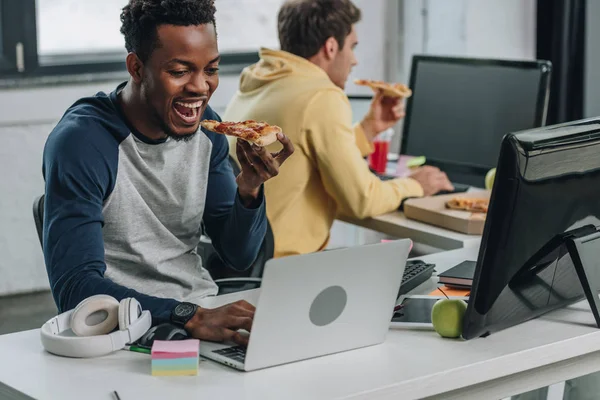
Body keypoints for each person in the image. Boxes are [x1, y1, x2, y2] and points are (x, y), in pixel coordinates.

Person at [42, 0, 293, 346]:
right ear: (137, 68)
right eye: (179, 71)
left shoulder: (209, 133)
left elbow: (239, 256)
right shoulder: (83, 142)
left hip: (200, 314)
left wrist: (249, 191)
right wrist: (187, 315)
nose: (201, 87)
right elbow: (75, 288)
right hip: (120, 331)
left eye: (211, 69)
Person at [224, 0, 453, 258]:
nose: (354, 60)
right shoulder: (321, 95)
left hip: (238, 259)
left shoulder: (261, 79)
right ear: (331, 47)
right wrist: (414, 184)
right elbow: (361, 200)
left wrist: (367, 129)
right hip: (282, 271)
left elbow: (308, 154)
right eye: (353, 47)